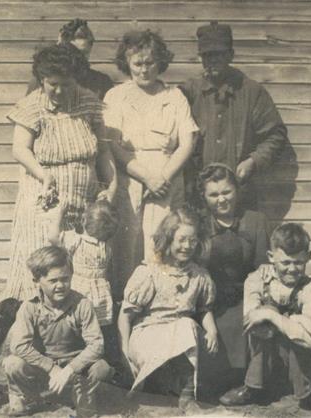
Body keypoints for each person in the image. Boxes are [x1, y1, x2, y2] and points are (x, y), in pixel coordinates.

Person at [5, 43, 117, 300]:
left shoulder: (89, 103)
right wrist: (44, 174)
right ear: (41, 79)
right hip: (45, 202)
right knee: (44, 264)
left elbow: (103, 151)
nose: (58, 91)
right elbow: (20, 150)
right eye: (52, 84)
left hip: (83, 202)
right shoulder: (31, 106)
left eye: (66, 84)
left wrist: (111, 186)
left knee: (78, 267)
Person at [104, 30, 199, 300]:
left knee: (159, 242)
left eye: (150, 62)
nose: (144, 70)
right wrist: (146, 177)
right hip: (130, 176)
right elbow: (112, 144)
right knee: (127, 244)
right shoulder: (115, 96)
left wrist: (162, 178)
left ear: (160, 62)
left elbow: (187, 142)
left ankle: (159, 304)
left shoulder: (175, 96)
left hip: (166, 179)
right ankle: (126, 305)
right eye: (137, 63)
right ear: (127, 63)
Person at [219, 223, 311, 417]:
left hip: (300, 361)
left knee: (296, 323)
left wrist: (273, 317)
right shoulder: (256, 280)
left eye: (298, 263)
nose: (292, 269)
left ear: (308, 257)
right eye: (285, 262)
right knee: (264, 315)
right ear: (271, 257)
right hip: (266, 359)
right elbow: (251, 323)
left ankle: (307, 393)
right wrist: (272, 315)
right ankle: (252, 387)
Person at [117, 208, 217, 415]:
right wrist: (124, 352)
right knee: (184, 328)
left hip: (182, 338)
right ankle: (153, 390)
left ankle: (187, 396)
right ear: (168, 239)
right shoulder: (150, 272)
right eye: (181, 240)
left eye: (192, 240)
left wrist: (212, 330)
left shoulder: (199, 275)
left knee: (187, 325)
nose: (187, 246)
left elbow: (204, 309)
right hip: (148, 335)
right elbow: (125, 316)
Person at [180, 21, 287, 209]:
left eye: (219, 54)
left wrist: (253, 161)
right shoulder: (187, 93)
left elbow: (275, 135)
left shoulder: (252, 92)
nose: (213, 60)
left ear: (230, 55)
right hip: (197, 195)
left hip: (240, 193)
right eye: (207, 55)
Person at [4, 245, 114, 417]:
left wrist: (69, 369)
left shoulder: (82, 304)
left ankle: (82, 398)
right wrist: (51, 368)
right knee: (13, 363)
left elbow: (97, 345)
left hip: (75, 367)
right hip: (42, 367)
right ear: (37, 281)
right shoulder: (29, 307)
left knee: (101, 368)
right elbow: (18, 346)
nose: (60, 285)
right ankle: (25, 396)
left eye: (65, 279)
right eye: (53, 281)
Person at [197, 163, 269, 392]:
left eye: (227, 192)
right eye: (213, 195)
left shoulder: (256, 221)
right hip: (211, 301)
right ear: (204, 197)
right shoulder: (198, 225)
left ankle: (248, 383)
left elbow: (262, 267)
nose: (221, 200)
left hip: (245, 297)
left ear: (237, 190)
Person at [47, 199, 120, 364]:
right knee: (97, 331)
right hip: (101, 297)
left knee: (77, 327)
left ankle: (74, 356)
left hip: (80, 294)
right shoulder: (106, 248)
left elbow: (52, 237)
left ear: (84, 221)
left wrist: (60, 213)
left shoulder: (76, 241)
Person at [27, 18, 114, 100]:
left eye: (84, 53)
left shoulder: (102, 82)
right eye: (74, 51)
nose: (79, 57)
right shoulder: (43, 79)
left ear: (90, 50)